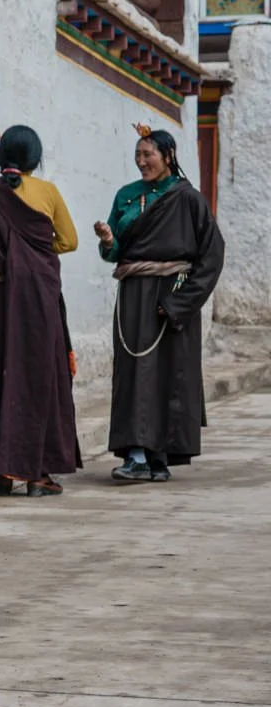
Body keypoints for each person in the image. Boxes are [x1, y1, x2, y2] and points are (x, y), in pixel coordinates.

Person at [0, 125, 81, 495]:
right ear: (35, 159)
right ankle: (38, 474)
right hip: (38, 298)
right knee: (39, 376)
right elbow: (69, 241)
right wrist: (33, 254)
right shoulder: (48, 192)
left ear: (3, 156)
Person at [94, 127, 225, 482]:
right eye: (137, 155)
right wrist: (108, 241)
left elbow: (212, 255)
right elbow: (115, 252)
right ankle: (135, 455)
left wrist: (182, 303)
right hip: (135, 295)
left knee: (170, 374)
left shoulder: (188, 198)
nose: (141, 162)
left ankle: (160, 456)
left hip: (173, 294)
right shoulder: (126, 195)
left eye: (148, 154)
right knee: (135, 374)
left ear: (168, 156)